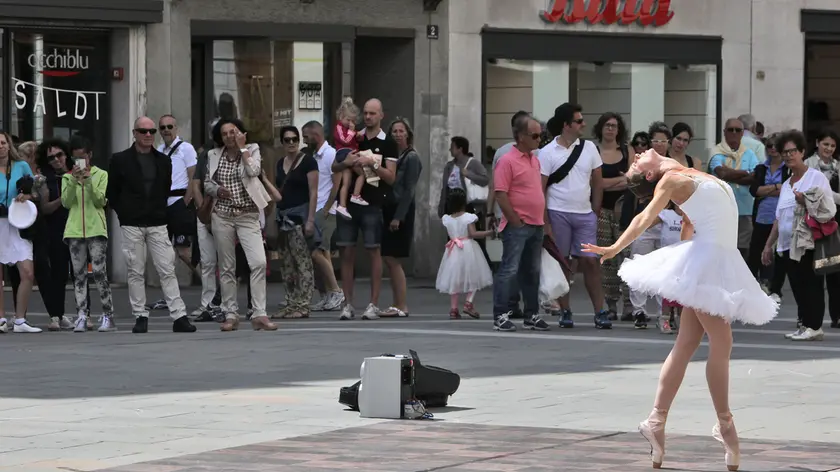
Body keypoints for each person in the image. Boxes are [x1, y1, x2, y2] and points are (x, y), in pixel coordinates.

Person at [582, 148, 777, 471]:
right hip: (708, 262)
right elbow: (645, 217)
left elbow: (690, 221)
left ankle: (656, 421)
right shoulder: (671, 181)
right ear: (648, 175)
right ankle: (725, 424)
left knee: (686, 343)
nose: (639, 153)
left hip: (711, 259)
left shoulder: (686, 171)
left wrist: (688, 263)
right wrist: (615, 247)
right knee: (721, 343)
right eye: (635, 162)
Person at [107, 117, 197, 334]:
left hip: (157, 221)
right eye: (143, 131)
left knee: (167, 268)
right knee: (135, 270)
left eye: (151, 131)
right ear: (134, 133)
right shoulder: (120, 160)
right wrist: (125, 213)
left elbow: (165, 188)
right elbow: (113, 192)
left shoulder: (163, 160)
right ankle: (140, 315)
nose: (148, 135)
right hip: (132, 223)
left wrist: (159, 210)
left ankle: (179, 316)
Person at [204, 118, 277, 331]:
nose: (229, 136)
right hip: (223, 215)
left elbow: (254, 172)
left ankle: (259, 313)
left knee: (259, 262)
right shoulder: (213, 155)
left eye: (233, 132)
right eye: (225, 133)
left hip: (248, 215)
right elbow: (208, 182)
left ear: (241, 133)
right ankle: (230, 313)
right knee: (227, 267)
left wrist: (243, 148)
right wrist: (217, 191)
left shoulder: (252, 149)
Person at [63, 135, 116, 332]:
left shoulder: (101, 174)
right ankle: (82, 315)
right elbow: (66, 203)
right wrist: (74, 181)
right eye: (76, 158)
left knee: (100, 273)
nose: (80, 162)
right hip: (74, 230)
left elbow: (100, 200)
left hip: (96, 229)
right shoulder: (68, 177)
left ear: (90, 155)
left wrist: (87, 181)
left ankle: (108, 315)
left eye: (83, 157)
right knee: (78, 275)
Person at [0, 130, 40, 333]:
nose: (1, 147)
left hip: (17, 221)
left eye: (3, 142)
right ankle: (0, 319)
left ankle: (20, 320)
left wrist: (27, 196)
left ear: (9, 145)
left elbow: (34, 192)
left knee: (27, 271)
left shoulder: (21, 166)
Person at [436, 188, 494, 319]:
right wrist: (488, 233)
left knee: (455, 280)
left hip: (453, 250)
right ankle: (468, 302)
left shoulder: (447, 219)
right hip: (467, 247)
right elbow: (473, 234)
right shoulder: (468, 217)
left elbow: (452, 234)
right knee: (474, 275)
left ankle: (453, 308)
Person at [333, 97, 362, 218]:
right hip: (344, 152)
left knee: (347, 181)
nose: (350, 123)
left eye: (353, 121)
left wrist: (358, 136)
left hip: (348, 152)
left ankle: (342, 205)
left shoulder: (347, 128)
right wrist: (352, 132)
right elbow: (345, 141)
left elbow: (355, 141)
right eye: (347, 119)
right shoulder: (339, 127)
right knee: (362, 174)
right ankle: (356, 195)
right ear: (341, 117)